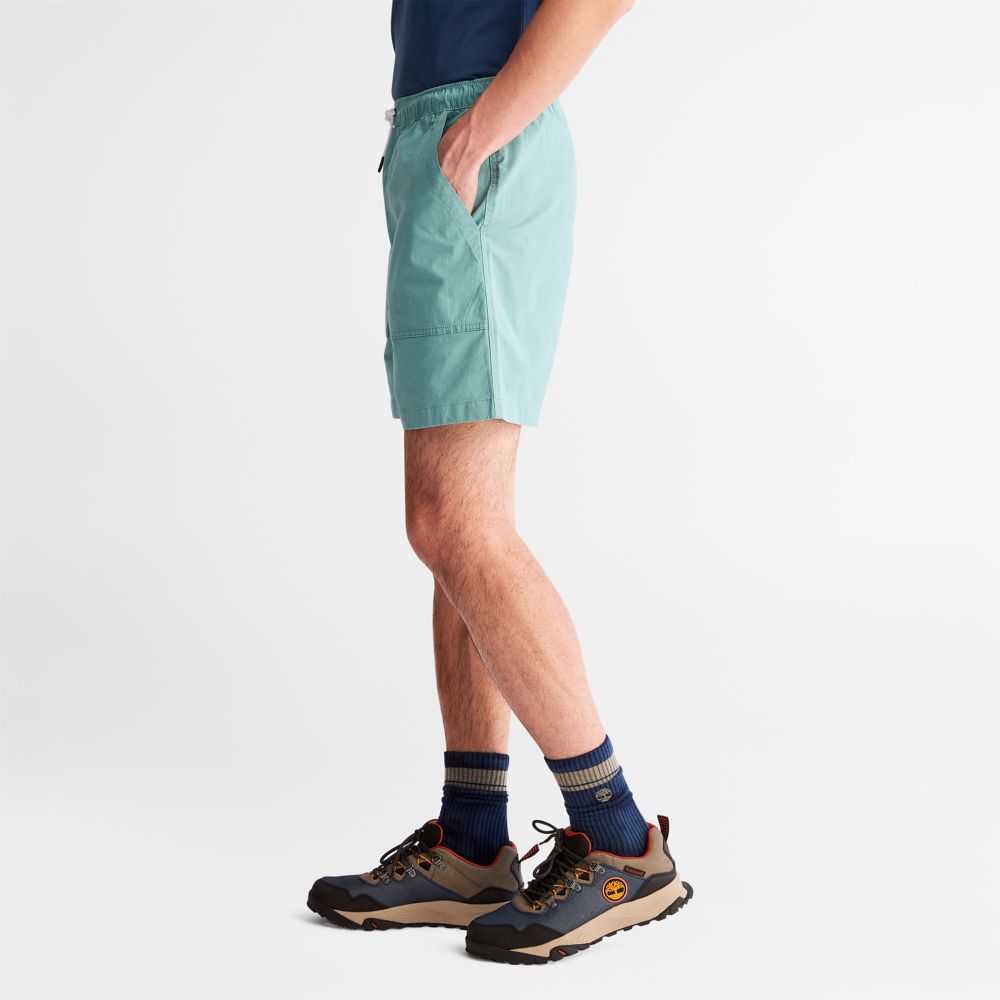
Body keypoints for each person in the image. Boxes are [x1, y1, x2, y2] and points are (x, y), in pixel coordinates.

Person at [308, 0, 692, 964]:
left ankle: (619, 839)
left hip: (477, 136)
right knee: (448, 524)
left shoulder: (479, 134)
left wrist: (481, 130)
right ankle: (474, 841)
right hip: (444, 136)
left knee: (457, 523)